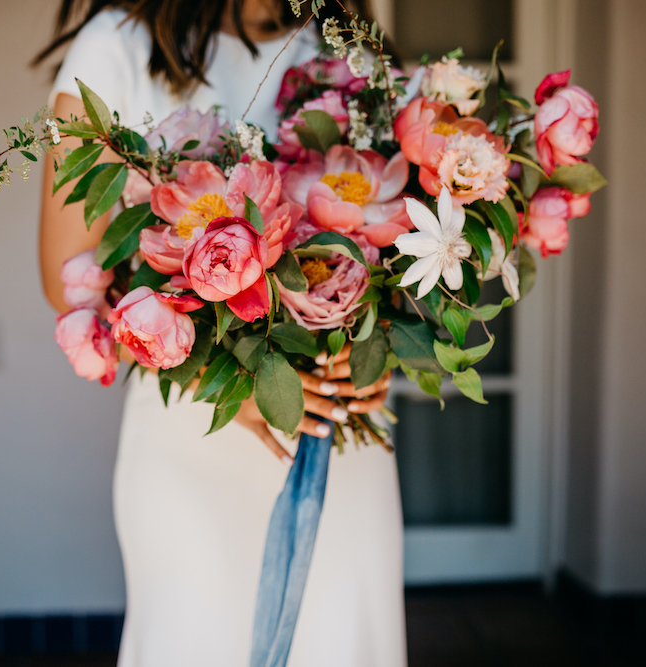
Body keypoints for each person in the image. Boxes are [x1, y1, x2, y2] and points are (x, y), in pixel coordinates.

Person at [37, 2, 406, 665]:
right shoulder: (114, 47)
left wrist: (385, 347)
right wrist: (224, 381)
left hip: (334, 441)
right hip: (193, 439)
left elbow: (402, 230)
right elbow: (69, 272)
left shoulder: (345, 43)